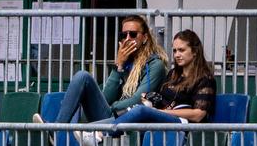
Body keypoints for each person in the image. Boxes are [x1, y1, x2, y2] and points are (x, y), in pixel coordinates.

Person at [74, 29, 217, 146]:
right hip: (162, 119)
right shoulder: (173, 74)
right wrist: (150, 100)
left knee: (140, 111)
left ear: (195, 51)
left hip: (184, 125)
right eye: (174, 50)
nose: (177, 54)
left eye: (182, 50)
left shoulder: (205, 78)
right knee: (135, 111)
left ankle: (99, 135)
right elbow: (163, 100)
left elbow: (198, 115)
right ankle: (91, 131)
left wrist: (161, 112)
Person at [34, 14, 168, 126]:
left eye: (133, 34)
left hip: (128, 118)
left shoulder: (155, 65)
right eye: (123, 35)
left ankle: (56, 130)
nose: (127, 39)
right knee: (82, 78)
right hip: (113, 115)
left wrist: (113, 106)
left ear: (144, 38)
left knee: (83, 77)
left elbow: (137, 100)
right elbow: (106, 97)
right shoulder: (126, 62)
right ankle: (58, 129)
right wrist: (118, 66)